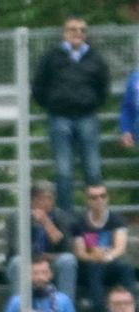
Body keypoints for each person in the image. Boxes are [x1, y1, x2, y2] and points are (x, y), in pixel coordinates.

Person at [33, 16, 113, 205]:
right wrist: (53, 104)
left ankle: (95, 217)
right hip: (59, 118)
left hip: (87, 117)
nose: (78, 34)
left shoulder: (95, 58)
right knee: (63, 171)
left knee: (93, 169)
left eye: (82, 30)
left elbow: (104, 88)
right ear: (64, 33)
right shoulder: (51, 57)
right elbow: (38, 86)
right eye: (73, 29)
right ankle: (66, 219)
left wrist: (91, 103)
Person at [71, 184, 137, 312]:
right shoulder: (80, 222)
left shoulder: (116, 220)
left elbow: (120, 248)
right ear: (87, 200)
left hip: (109, 262)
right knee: (94, 268)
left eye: (103, 196)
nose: (99, 200)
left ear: (107, 198)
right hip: (88, 266)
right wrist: (95, 256)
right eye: (94, 197)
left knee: (126, 268)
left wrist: (107, 256)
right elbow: (80, 253)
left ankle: (132, 311)